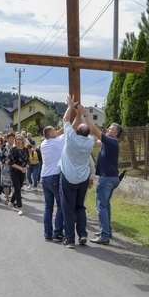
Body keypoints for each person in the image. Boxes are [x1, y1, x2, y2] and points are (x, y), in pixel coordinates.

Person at [77, 105, 123, 245]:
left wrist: (85, 115)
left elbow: (96, 130)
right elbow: (93, 139)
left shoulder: (111, 141)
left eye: (110, 129)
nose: (107, 129)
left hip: (107, 178)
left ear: (115, 134)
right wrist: (81, 130)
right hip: (112, 178)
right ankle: (106, 230)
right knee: (105, 205)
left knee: (101, 206)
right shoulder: (108, 142)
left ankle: (104, 235)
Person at [59, 96, 94, 249]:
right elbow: (86, 128)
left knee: (68, 208)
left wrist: (70, 106)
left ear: (76, 132)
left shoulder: (71, 139)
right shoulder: (90, 142)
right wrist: (81, 114)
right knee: (80, 207)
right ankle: (83, 234)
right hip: (83, 179)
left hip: (68, 177)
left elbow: (66, 119)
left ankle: (70, 240)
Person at [40, 125, 65, 242]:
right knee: (60, 205)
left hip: (44, 177)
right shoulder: (57, 143)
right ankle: (58, 232)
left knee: (48, 207)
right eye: (54, 130)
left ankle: (47, 233)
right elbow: (69, 129)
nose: (57, 131)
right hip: (54, 176)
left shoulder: (44, 143)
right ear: (51, 134)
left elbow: (59, 132)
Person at [8, 134, 30, 216]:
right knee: (17, 189)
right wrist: (21, 168)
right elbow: (11, 162)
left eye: (20, 139)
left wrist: (26, 167)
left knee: (19, 188)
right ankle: (20, 208)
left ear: (23, 140)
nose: (18, 140)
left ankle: (11, 202)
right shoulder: (13, 149)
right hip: (14, 171)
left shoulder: (25, 149)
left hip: (23, 172)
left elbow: (28, 160)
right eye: (17, 139)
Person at [0, 132, 15, 205]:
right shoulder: (4, 146)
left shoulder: (16, 147)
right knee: (6, 184)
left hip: (14, 167)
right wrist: (5, 162)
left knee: (14, 184)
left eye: (12, 138)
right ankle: (7, 198)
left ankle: (13, 199)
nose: (11, 139)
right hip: (5, 167)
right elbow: (1, 156)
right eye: (10, 138)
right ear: (7, 139)